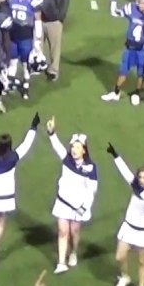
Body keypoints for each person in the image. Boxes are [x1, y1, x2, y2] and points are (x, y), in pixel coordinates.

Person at [0, 114, 41, 267]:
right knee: (0, 223)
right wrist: (33, 127)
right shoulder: (13, 158)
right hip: (5, 198)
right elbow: (25, 145)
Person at [106, 143, 144, 286]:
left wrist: (141, 192)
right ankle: (124, 277)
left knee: (142, 261)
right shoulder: (136, 185)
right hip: (129, 228)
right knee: (119, 256)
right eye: (140, 177)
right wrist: (115, 155)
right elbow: (126, 172)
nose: (141, 180)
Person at [46, 117, 99, 273]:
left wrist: (85, 206)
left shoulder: (91, 168)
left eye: (78, 147)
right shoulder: (66, 160)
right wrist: (51, 133)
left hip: (78, 207)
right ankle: (61, 263)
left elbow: (92, 189)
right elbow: (57, 146)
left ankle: (74, 251)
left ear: (84, 150)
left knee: (74, 231)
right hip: (63, 202)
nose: (74, 150)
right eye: (73, 147)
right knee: (63, 231)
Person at [101, 0, 144, 105]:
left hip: (143, 49)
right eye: (140, 2)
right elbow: (115, 12)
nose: (140, 5)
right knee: (123, 70)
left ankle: (137, 92)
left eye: (143, 3)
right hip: (130, 48)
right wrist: (113, 1)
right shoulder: (132, 8)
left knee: (140, 72)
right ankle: (116, 92)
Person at [31, 0, 68, 80]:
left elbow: (65, 2)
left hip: (54, 21)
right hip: (39, 19)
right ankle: (36, 67)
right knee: (37, 45)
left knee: (55, 49)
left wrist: (60, 18)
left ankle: (53, 71)